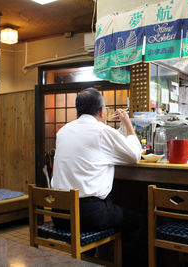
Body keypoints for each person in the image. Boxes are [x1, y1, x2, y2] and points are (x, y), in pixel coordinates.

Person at [51, 87, 145, 266]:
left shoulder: (63, 131)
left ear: (78, 110)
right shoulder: (101, 131)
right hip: (88, 215)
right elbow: (134, 155)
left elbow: (98, 146)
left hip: (60, 214)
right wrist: (128, 125)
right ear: (102, 111)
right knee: (137, 221)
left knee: (112, 211)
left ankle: (88, 260)